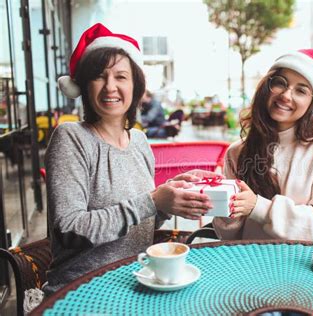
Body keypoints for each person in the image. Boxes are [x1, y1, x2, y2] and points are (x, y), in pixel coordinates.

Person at [45, 23, 215, 295]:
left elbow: (141, 223)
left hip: (139, 279)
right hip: (83, 290)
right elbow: (70, 230)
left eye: (121, 77)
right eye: (100, 76)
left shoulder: (139, 140)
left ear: (136, 86)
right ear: (85, 86)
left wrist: (169, 198)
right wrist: (151, 201)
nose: (110, 87)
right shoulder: (71, 138)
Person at [213, 49, 313, 241]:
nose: (286, 95)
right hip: (248, 262)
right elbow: (229, 236)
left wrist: (259, 207)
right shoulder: (237, 152)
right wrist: (222, 204)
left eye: (301, 90)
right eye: (280, 83)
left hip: (303, 265)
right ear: (266, 86)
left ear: (311, 103)